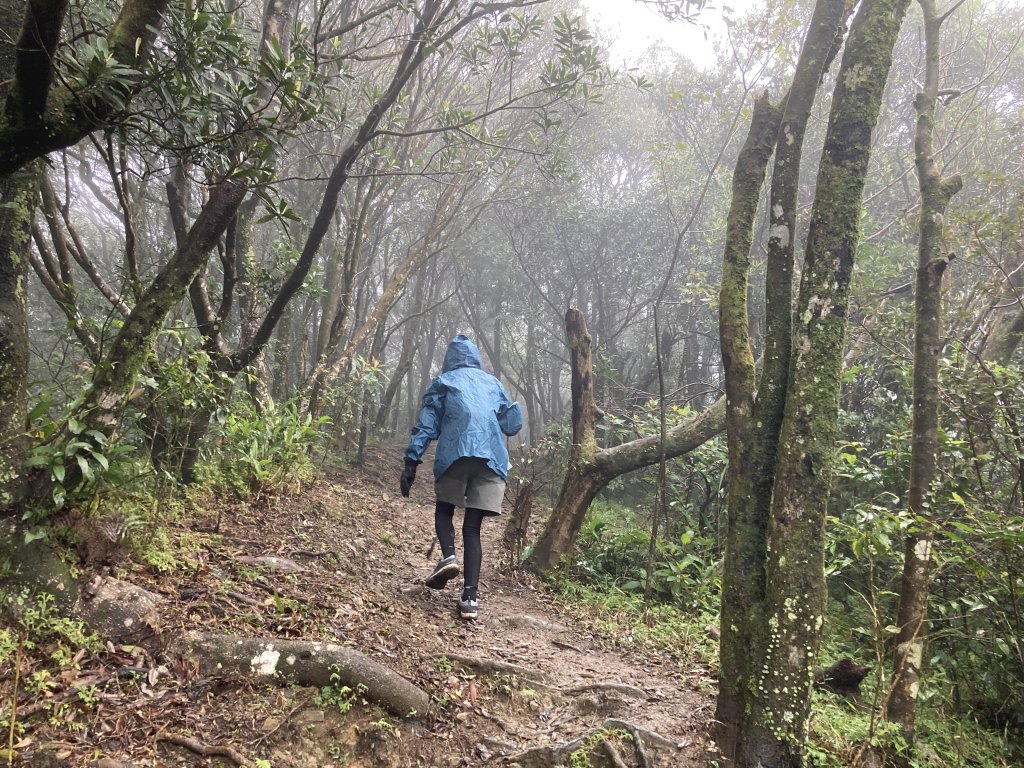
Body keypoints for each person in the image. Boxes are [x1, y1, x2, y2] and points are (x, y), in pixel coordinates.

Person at [400, 334, 523, 619]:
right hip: (491, 460)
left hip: (456, 453)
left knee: (444, 510)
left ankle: (448, 556)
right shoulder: (492, 383)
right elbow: (511, 424)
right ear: (476, 357)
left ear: (450, 359)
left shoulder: (443, 382)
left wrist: (411, 461)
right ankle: (470, 599)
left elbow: (427, 426)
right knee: (473, 528)